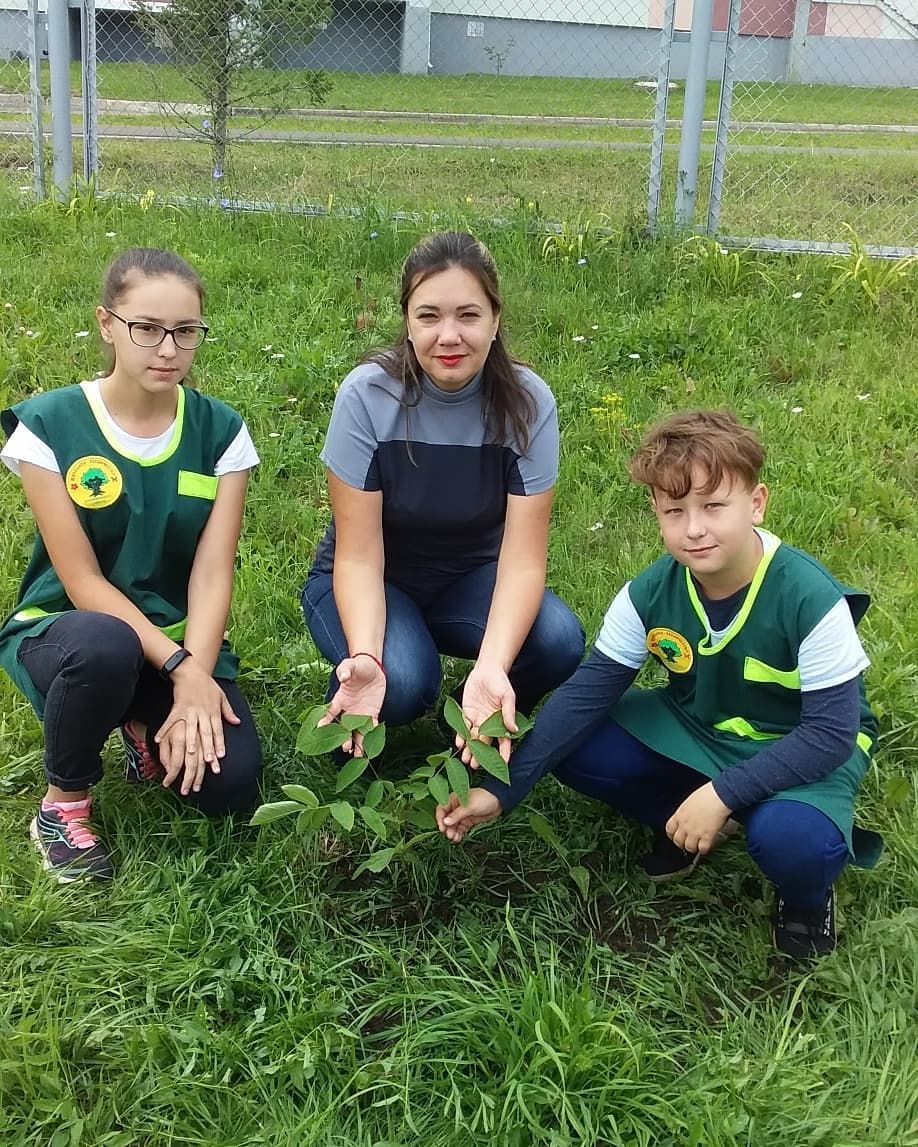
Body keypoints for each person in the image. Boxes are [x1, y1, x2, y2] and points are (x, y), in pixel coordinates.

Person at [437, 409, 883, 959]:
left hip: (799, 744)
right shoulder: (649, 592)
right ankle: (686, 825)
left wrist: (723, 793)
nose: (694, 528)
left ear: (757, 502)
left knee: (795, 842)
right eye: (675, 511)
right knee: (580, 743)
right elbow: (586, 694)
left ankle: (807, 898)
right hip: (700, 728)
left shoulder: (809, 597)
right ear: (656, 511)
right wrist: (503, 790)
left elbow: (830, 735)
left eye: (714, 506)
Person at [0, 248, 263, 883]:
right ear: (107, 323)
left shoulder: (222, 432)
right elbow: (82, 580)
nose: (167, 348)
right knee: (106, 647)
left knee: (231, 790)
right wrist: (181, 672)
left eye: (186, 331)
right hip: (71, 628)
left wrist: (196, 675)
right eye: (147, 328)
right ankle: (63, 805)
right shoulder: (48, 426)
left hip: (176, 638)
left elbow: (210, 574)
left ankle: (141, 721)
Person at [301, 231, 585, 757]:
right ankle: (359, 687)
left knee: (559, 640)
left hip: (467, 581)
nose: (448, 335)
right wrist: (369, 652)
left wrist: (494, 665)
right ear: (407, 322)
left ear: (496, 321)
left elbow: (523, 563)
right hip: (371, 579)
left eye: (469, 316)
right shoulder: (366, 396)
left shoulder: (528, 404)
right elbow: (358, 556)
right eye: (429, 316)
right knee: (404, 680)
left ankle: (472, 710)